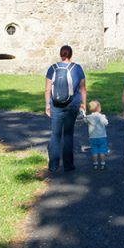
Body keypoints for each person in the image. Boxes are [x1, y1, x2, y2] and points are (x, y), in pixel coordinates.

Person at [44, 44, 86, 172]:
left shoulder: (52, 68)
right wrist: (83, 103)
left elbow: (47, 89)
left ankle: (53, 165)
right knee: (68, 134)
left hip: (56, 104)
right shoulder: (77, 68)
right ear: (71, 54)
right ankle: (68, 165)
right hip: (72, 104)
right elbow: (83, 88)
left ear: (60, 54)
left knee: (55, 134)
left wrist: (47, 105)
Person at [84, 100, 110, 170]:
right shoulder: (101, 116)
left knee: (94, 150)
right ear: (99, 108)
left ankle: (95, 164)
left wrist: (83, 113)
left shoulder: (88, 117)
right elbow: (106, 123)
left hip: (93, 137)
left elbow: (84, 120)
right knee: (102, 150)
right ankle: (103, 164)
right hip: (102, 136)